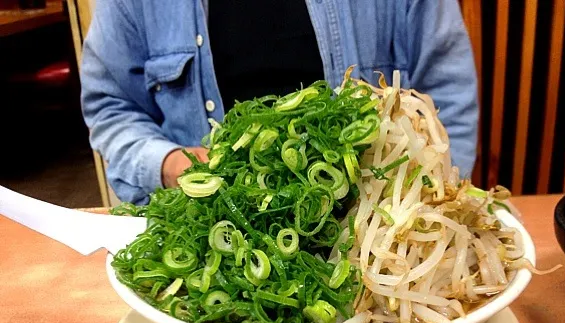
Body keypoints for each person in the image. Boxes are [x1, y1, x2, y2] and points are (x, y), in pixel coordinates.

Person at [80, 0, 478, 205]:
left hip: (375, 230)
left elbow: (446, 94)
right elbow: (111, 106)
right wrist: (169, 165)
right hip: (205, 228)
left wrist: (434, 199)